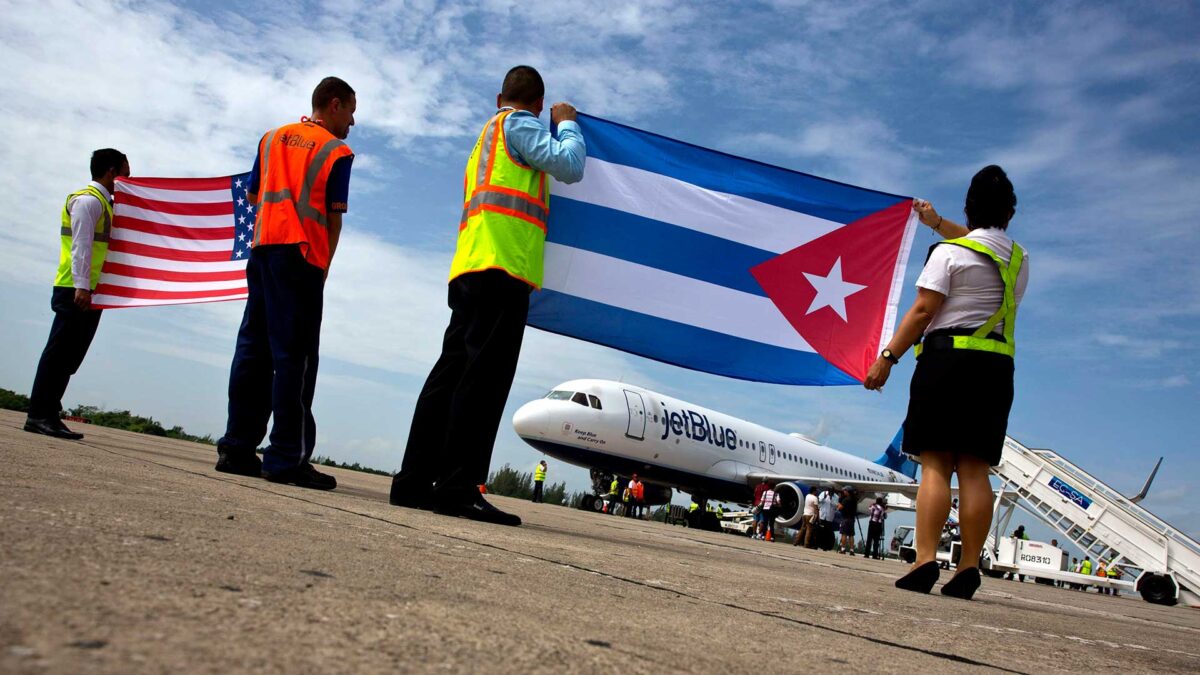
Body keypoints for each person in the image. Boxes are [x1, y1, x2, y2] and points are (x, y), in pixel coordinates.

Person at [389, 65, 586, 526]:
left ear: (500, 95)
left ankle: (413, 480)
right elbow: (570, 167)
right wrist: (569, 123)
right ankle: (458, 487)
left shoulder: (484, 138)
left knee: (450, 374)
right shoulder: (519, 125)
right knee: (484, 380)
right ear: (537, 103)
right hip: (503, 266)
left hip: (470, 265)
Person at [868, 166, 1029, 601]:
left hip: (946, 363)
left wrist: (887, 358)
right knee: (975, 469)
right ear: (1010, 214)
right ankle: (969, 566)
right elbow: (981, 244)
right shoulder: (1018, 262)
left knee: (936, 464)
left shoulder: (948, 255)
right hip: (995, 370)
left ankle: (925, 561)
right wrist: (937, 224)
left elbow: (923, 311)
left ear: (968, 208)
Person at [214, 77, 356, 490]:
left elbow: (254, 195)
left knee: (253, 349)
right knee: (295, 359)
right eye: (350, 110)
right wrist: (323, 267)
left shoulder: (271, 138)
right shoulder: (337, 151)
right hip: (303, 257)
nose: (352, 121)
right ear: (333, 105)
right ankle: (284, 457)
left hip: (262, 249)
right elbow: (333, 216)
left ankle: (236, 448)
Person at [25, 149, 130, 440]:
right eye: (125, 174)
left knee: (71, 357)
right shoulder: (88, 201)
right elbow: (81, 247)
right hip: (76, 288)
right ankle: (38, 414)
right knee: (59, 353)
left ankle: (49, 413)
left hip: (91, 290)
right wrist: (82, 287)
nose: (127, 181)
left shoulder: (106, 204)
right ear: (111, 172)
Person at [837, 487, 858, 555]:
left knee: (844, 534)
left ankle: (843, 549)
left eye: (845, 491)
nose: (843, 492)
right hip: (852, 519)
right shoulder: (854, 500)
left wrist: (839, 501)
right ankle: (852, 550)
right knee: (851, 535)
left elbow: (840, 507)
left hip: (845, 518)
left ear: (847, 492)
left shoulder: (846, 499)